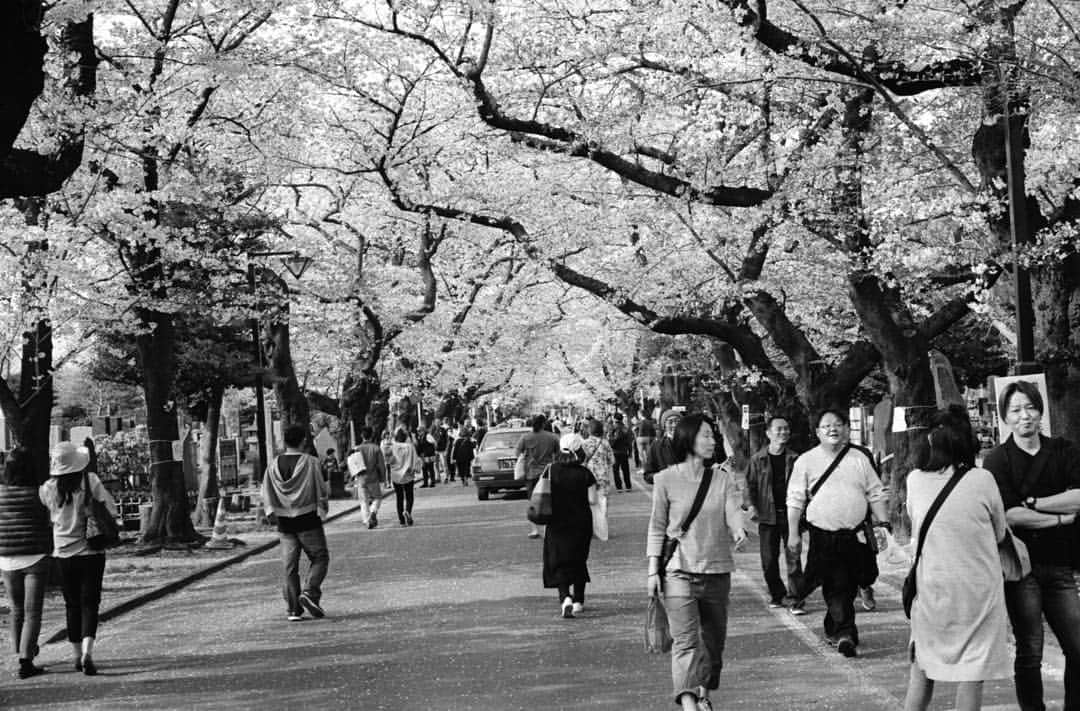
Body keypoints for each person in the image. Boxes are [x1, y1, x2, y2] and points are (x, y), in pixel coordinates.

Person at [903, 406, 1010, 711]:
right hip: (977, 591)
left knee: (922, 669)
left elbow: (917, 523)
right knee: (971, 673)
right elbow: (1000, 531)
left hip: (933, 587)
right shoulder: (982, 480)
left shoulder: (914, 480)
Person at [983, 380, 1080, 711]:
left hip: (1061, 564)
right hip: (1021, 568)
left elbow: (1078, 497)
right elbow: (1010, 514)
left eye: (1030, 408)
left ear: (1040, 410)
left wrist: (1036, 502)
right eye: (1016, 410)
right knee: (1030, 650)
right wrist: (1058, 517)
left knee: (1077, 645)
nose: (1025, 416)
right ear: (1005, 418)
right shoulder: (998, 459)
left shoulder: (1064, 450)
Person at [647, 413, 746, 711]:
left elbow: (732, 509)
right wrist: (653, 570)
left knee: (713, 645)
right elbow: (656, 526)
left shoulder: (721, 478)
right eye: (705, 435)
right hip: (678, 570)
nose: (711, 440)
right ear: (688, 438)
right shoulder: (665, 479)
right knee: (686, 642)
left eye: (712, 435)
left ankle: (704, 694)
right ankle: (690, 703)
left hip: (716, 569)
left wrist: (738, 528)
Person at [785, 408, 888, 658]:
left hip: (855, 534)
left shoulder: (859, 459)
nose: (833, 429)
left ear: (846, 429)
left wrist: (883, 523)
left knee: (852, 581)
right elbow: (795, 499)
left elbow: (875, 492)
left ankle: (834, 628)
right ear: (818, 431)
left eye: (838, 424)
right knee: (837, 583)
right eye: (826, 425)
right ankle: (845, 633)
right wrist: (793, 533)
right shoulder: (806, 461)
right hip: (823, 535)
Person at [39, 441, 118, 675]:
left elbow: (49, 513)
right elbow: (110, 508)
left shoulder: (47, 488)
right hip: (91, 551)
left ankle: (74, 655)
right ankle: (87, 652)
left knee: (71, 605)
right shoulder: (90, 481)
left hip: (63, 553)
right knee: (90, 604)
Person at [261, 424, 330, 621]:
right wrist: (323, 507)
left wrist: (271, 512)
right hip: (308, 518)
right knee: (320, 557)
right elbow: (321, 488)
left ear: (284, 441)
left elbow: (266, 491)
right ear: (303, 441)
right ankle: (309, 592)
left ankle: (293, 609)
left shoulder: (273, 465)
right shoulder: (311, 462)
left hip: (284, 521)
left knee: (290, 566)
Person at [0, 448, 52, 679]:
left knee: (17, 609)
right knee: (33, 613)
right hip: (35, 556)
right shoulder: (39, 492)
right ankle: (26, 659)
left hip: (7, 557)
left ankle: (20, 648)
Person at [744, 416, 804, 612]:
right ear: (768, 433)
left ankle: (795, 598)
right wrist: (751, 506)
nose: (783, 432)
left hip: (791, 516)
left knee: (794, 558)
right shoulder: (757, 459)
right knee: (769, 561)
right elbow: (748, 486)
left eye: (786, 429)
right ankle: (778, 595)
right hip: (767, 516)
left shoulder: (795, 459)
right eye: (779, 429)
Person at [544, 433, 598, 618]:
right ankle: (578, 601)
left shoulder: (551, 470)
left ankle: (565, 596)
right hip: (581, 522)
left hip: (556, 521)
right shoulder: (585, 473)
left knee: (559, 559)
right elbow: (593, 499)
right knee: (578, 560)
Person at [517, 415, 561, 539]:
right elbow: (558, 454)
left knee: (532, 501)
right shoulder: (552, 437)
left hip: (531, 473)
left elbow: (518, 453)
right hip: (548, 472)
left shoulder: (525, 437)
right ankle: (548, 528)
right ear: (543, 424)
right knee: (549, 501)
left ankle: (534, 529)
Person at [582, 419, 615, 538]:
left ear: (589, 429)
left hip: (587, 477)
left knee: (589, 503)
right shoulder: (605, 443)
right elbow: (612, 461)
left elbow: (581, 461)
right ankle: (602, 529)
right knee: (603, 503)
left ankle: (589, 529)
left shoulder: (584, 443)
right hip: (603, 477)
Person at [349, 428, 386, 529]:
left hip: (361, 478)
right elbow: (381, 466)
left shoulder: (356, 449)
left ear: (362, 436)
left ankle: (367, 520)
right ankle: (373, 512)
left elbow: (352, 464)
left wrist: (352, 478)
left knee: (363, 501)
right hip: (373, 478)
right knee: (378, 498)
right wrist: (383, 479)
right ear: (372, 436)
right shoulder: (376, 448)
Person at [385, 428, 418, 526]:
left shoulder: (392, 447)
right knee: (409, 496)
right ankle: (407, 511)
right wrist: (414, 469)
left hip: (396, 475)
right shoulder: (410, 446)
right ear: (405, 437)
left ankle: (401, 520)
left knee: (399, 497)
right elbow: (415, 460)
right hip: (408, 474)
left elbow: (387, 459)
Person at [644, 409, 681, 485]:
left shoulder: (692, 442)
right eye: (670, 422)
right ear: (664, 426)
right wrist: (663, 477)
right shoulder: (656, 446)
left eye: (677, 421)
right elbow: (648, 475)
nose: (674, 425)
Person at [608, 412, 634, 492]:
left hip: (615, 452)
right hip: (624, 451)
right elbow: (630, 440)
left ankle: (619, 487)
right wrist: (630, 451)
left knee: (616, 470)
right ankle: (628, 486)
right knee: (625, 469)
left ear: (615, 419)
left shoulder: (613, 428)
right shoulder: (626, 428)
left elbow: (610, 439)